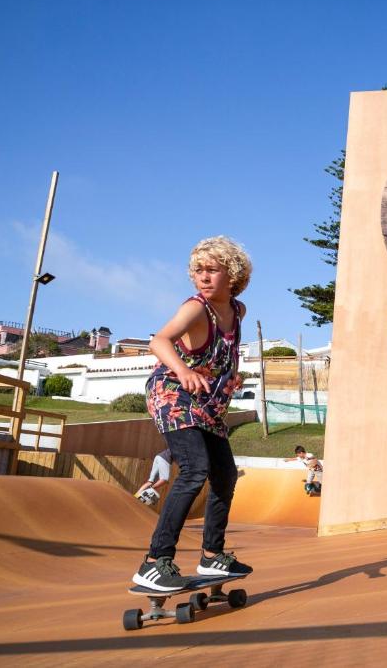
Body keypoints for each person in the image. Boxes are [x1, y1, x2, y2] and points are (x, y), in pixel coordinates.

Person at [132, 236, 254, 592]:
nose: (203, 277)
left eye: (212, 270)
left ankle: (212, 554)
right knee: (195, 469)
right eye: (198, 270)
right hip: (171, 392)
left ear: (232, 275)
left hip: (205, 404)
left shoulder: (238, 311)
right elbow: (160, 341)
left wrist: (229, 374)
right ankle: (154, 562)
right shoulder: (195, 308)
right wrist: (184, 371)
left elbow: (222, 350)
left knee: (226, 474)